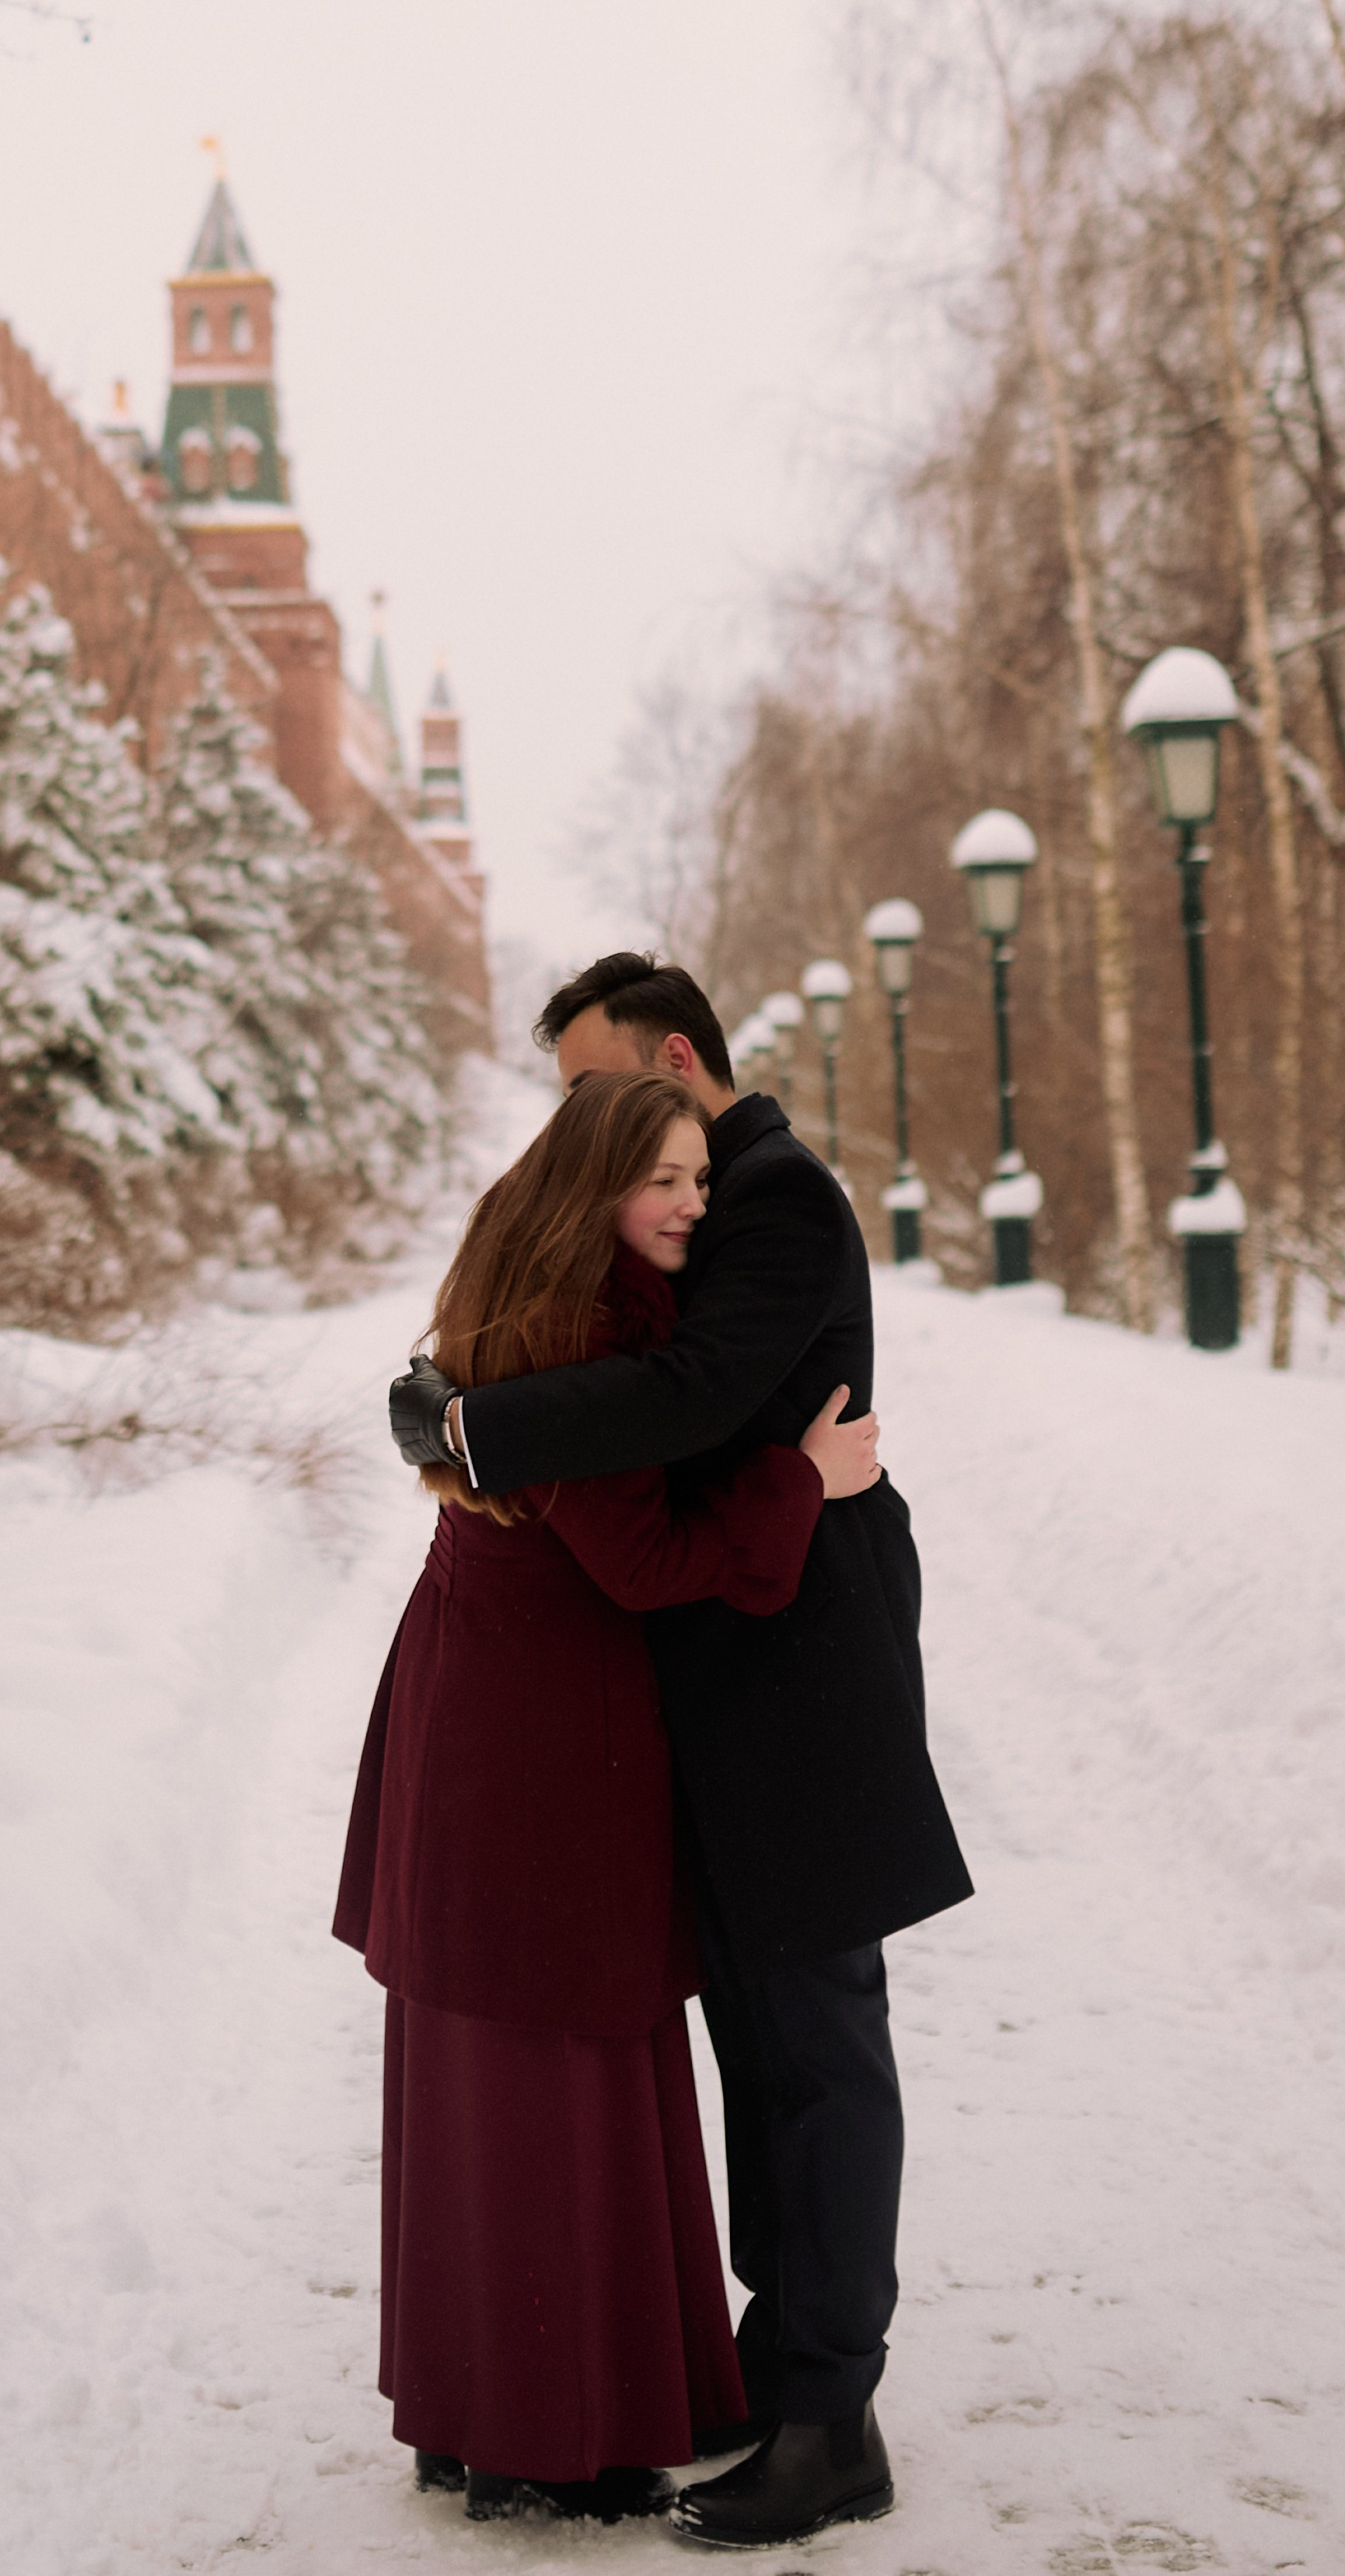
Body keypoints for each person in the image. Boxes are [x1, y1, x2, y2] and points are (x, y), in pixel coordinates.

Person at [388, 954, 973, 2552]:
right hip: (725, 1671)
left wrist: (472, 1422)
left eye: (595, 1091)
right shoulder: (701, 1207)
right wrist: (449, 1389)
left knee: (818, 2045)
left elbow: (689, 1388)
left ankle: (830, 2415)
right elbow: (616, 1371)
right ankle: (776, 2367)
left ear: (668, 1058)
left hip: (798, 1674)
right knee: (766, 2044)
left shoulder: (774, 1201)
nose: (582, 1129)